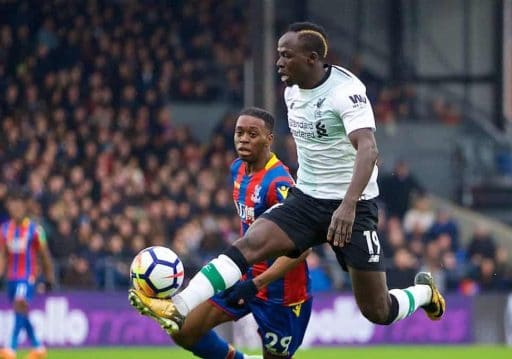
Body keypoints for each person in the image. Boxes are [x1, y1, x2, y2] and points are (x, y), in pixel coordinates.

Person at [129, 21, 445, 336]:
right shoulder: (291, 92)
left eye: (286, 55)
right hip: (306, 201)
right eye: (279, 55)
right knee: (248, 245)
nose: (278, 62)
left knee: (377, 310)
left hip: (354, 207)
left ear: (311, 58)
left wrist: (348, 206)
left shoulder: (346, 92)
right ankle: (178, 306)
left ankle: (424, 293)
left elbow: (368, 149)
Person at [169, 108, 312, 358]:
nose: (243, 138)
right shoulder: (238, 169)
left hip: (282, 295)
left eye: (252, 134)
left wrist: (258, 284)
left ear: (269, 139)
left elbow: (303, 248)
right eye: (239, 132)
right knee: (183, 330)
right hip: (244, 276)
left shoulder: (279, 183)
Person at [0, 192, 55, 359]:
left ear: (24, 207)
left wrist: (49, 279)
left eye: (19, 205)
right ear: (9, 208)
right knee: (21, 312)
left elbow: (45, 256)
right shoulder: (4, 230)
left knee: (19, 304)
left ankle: (10, 349)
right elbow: (2, 255)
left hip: (28, 276)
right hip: (11, 278)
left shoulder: (36, 230)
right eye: (13, 205)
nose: (16, 209)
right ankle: (38, 347)